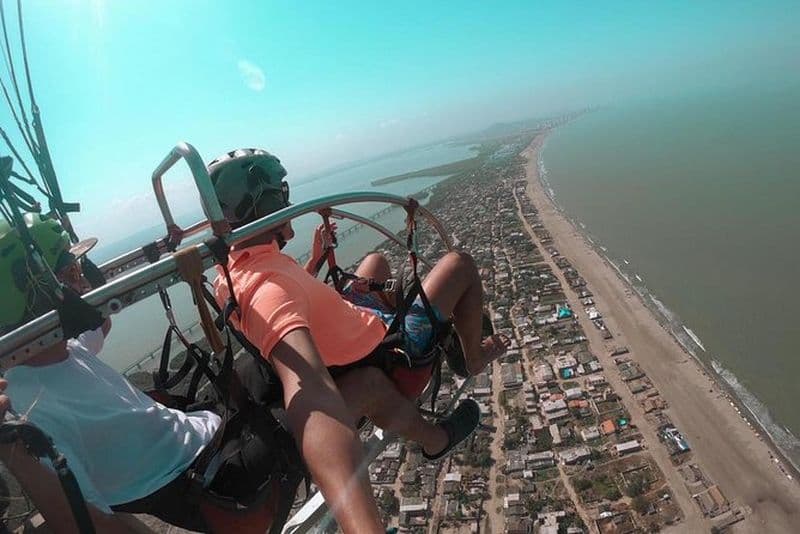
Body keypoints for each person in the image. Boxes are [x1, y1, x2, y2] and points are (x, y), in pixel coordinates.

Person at [209, 148, 511, 533]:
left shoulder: (232, 272)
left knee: (375, 262)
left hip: (347, 330)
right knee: (460, 264)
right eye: (281, 196)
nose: (288, 203)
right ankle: (472, 358)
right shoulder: (269, 290)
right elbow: (310, 387)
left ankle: (433, 319)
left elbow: (281, 299)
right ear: (266, 204)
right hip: (380, 351)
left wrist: (316, 262)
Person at [0, 214, 294, 534]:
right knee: (310, 388)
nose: (82, 282)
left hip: (198, 432)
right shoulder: (30, 411)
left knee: (266, 365)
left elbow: (101, 323)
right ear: (35, 295)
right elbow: (84, 524)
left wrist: (147, 254)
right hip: (209, 476)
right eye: (72, 273)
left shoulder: (61, 350)